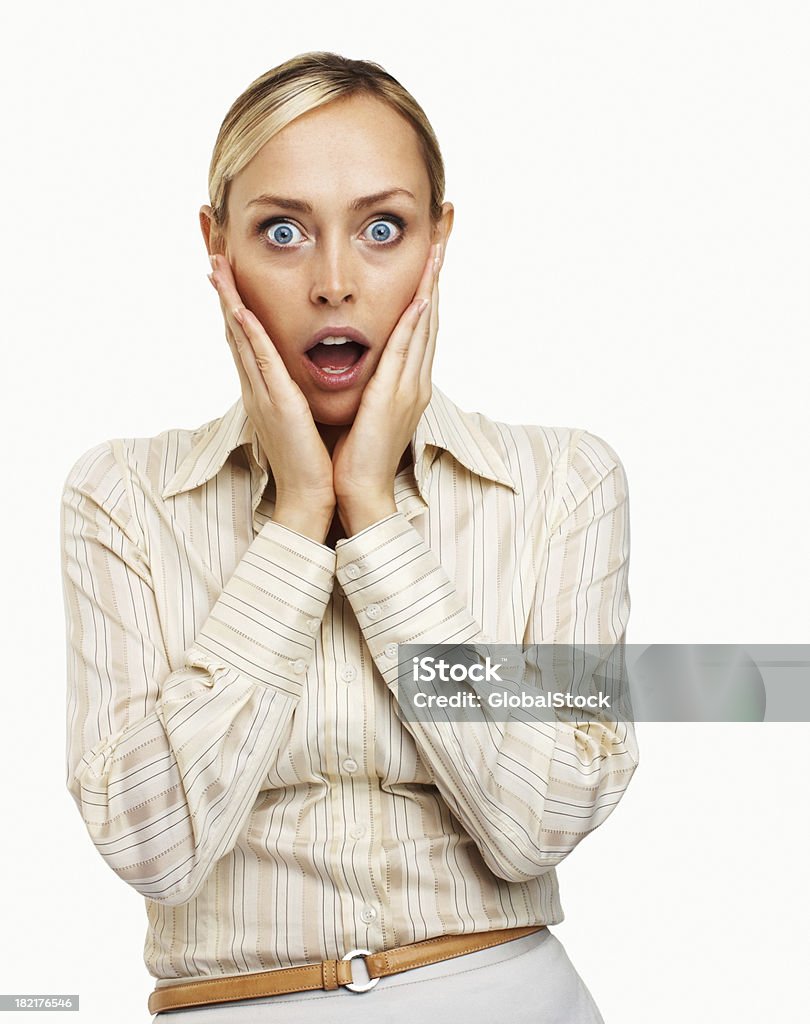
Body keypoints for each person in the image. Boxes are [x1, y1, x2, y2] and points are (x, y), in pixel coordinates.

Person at [61, 52, 638, 1022]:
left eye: (382, 228)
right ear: (217, 245)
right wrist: (294, 521)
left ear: (438, 241)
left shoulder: (565, 485)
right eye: (281, 231)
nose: (334, 282)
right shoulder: (122, 494)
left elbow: (540, 824)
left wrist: (372, 513)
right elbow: (149, 846)